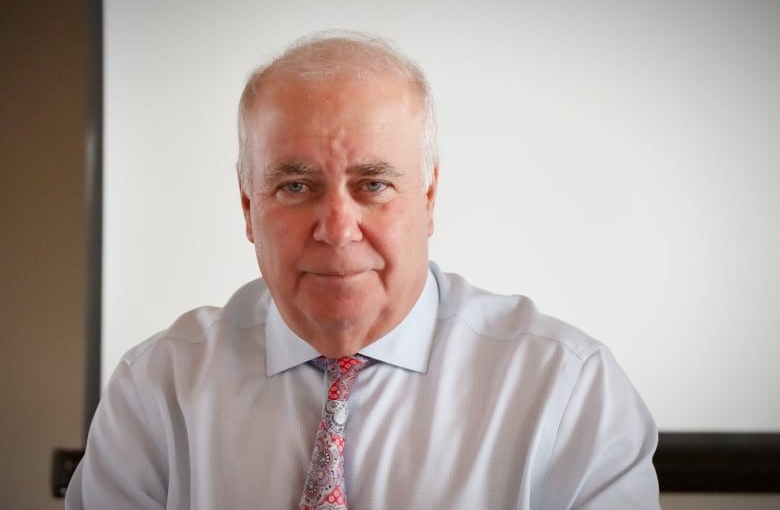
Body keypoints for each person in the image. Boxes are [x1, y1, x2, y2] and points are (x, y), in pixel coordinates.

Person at [66, 30, 660, 509]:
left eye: (373, 184)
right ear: (249, 208)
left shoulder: (567, 390)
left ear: (428, 199)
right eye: (295, 186)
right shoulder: (156, 390)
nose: (337, 226)